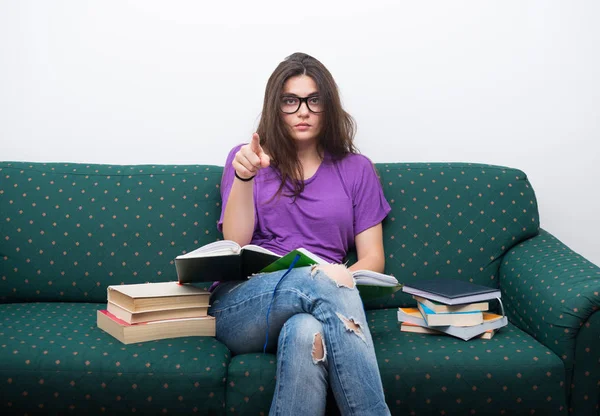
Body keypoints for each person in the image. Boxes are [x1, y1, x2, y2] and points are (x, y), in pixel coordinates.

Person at [208, 52, 392, 416]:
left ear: (329, 106)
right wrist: (245, 178)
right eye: (290, 101)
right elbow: (236, 244)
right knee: (321, 282)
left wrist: (334, 280)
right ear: (275, 107)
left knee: (307, 331)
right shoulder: (247, 159)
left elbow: (372, 258)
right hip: (244, 305)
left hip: (322, 296)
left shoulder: (357, 169)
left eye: (314, 100)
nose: (303, 111)